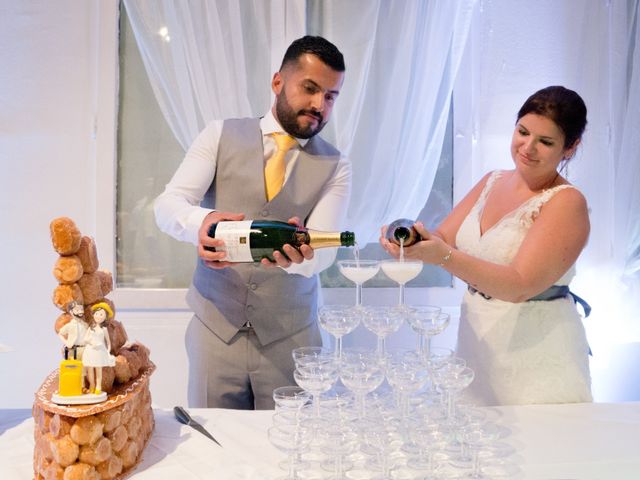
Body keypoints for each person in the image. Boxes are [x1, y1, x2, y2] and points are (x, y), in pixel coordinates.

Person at [154, 36, 350, 409]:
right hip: (215, 331)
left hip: (293, 340)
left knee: (291, 455)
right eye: (309, 89)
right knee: (213, 452)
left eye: (330, 97)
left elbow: (323, 255)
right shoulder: (219, 134)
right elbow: (168, 205)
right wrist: (204, 222)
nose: (318, 105)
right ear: (278, 82)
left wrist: (300, 259)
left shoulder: (337, 166)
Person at [381, 86, 592, 406]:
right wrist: (412, 238)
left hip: (536, 355)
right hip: (477, 347)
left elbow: (519, 285)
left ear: (570, 148)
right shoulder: (493, 180)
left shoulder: (567, 203)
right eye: (522, 132)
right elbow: (443, 238)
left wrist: (444, 257)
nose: (528, 147)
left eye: (545, 142)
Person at [83, 303, 116, 395]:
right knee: (90, 368)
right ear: (93, 315)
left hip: (100, 351)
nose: (98, 316)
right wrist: (91, 342)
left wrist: (107, 351)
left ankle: (98, 386)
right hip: (90, 350)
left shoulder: (104, 329)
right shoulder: (91, 327)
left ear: (105, 317)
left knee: (98, 369)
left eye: (101, 314)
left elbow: (108, 343)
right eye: (97, 314)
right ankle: (92, 385)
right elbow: (85, 339)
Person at [57, 301, 89, 388]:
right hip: (73, 350)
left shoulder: (85, 325)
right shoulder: (70, 325)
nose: (80, 312)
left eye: (81, 309)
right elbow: (60, 333)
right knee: (72, 368)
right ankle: (72, 386)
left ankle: (82, 387)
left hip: (84, 349)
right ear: (71, 312)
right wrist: (66, 342)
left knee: (83, 369)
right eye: (77, 310)